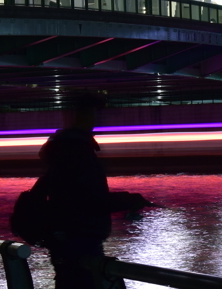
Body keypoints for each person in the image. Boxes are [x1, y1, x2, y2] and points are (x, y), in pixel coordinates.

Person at [35, 95, 156, 289]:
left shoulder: (60, 154)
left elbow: (78, 196)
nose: (99, 122)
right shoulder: (79, 154)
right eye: (96, 115)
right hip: (82, 236)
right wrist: (130, 200)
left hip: (64, 236)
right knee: (88, 279)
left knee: (69, 279)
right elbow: (89, 199)